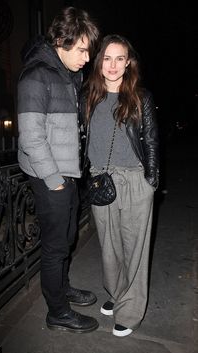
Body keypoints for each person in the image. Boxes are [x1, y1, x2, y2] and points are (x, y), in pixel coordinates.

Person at [17, 7, 100, 333]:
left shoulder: (67, 75)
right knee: (54, 247)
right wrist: (54, 180)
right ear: (61, 41)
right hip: (50, 177)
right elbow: (31, 137)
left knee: (66, 239)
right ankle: (58, 312)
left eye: (88, 50)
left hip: (67, 174)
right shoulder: (36, 75)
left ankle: (62, 289)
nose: (86, 57)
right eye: (81, 49)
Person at [83, 34, 159, 337]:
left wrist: (151, 181)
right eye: (107, 58)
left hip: (134, 180)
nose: (112, 65)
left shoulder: (141, 98)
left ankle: (130, 310)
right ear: (99, 62)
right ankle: (115, 294)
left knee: (134, 250)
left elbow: (151, 141)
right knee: (109, 246)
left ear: (128, 63)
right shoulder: (88, 96)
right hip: (101, 179)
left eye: (119, 58)